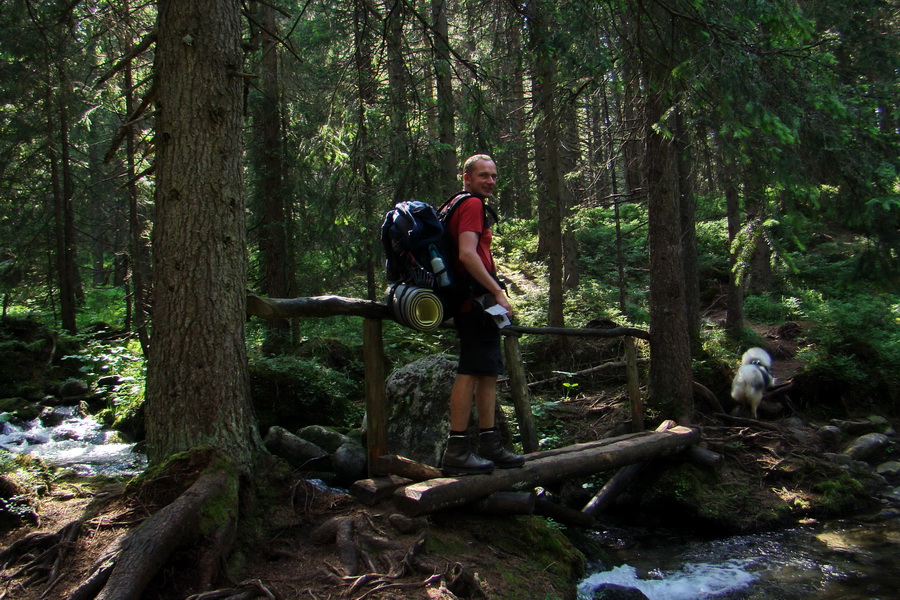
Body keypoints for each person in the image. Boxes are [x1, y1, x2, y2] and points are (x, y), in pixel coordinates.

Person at [439, 154, 525, 475]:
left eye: (493, 176)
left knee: (488, 370)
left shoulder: (455, 205)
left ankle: (489, 443)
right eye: (483, 176)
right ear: (467, 177)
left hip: (477, 298)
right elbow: (466, 254)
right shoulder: (472, 204)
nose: (489, 181)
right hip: (474, 299)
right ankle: (457, 449)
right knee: (471, 368)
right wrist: (498, 292)